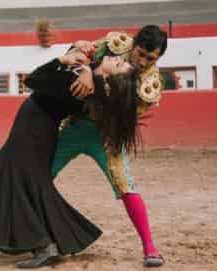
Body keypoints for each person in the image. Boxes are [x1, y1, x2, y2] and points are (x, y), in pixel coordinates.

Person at [0, 52, 140, 269]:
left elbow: (32, 80)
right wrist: (84, 68)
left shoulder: (82, 84)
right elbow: (93, 65)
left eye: (119, 64)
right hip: (36, 128)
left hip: (34, 130)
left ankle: (44, 246)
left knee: (18, 184)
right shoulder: (89, 78)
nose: (115, 58)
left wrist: (60, 61)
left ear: (110, 81)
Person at [50, 25, 168, 267]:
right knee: (38, 174)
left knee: (126, 185)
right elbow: (77, 52)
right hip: (74, 125)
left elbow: (122, 116)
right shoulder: (115, 44)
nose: (143, 61)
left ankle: (150, 247)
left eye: (150, 58)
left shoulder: (151, 84)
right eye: (141, 53)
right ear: (133, 44)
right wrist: (84, 68)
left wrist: (92, 78)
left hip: (106, 136)